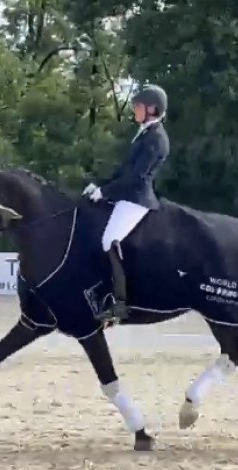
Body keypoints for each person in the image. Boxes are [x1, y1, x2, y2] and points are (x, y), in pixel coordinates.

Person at [82, 84, 170, 322]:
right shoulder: (144, 133)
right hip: (126, 193)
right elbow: (123, 171)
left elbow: (136, 177)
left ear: (152, 109)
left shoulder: (156, 138)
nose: (135, 110)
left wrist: (106, 191)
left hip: (137, 198)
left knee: (109, 240)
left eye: (138, 107)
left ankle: (119, 301)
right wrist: (99, 186)